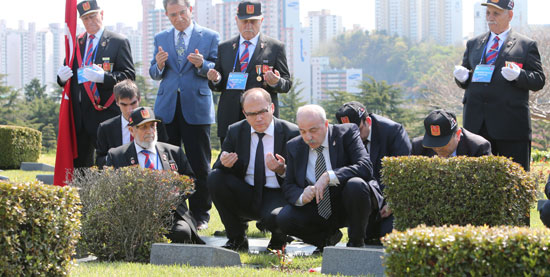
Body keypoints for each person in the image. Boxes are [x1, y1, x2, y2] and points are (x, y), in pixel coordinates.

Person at [149, 0, 220, 229]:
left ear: (190, 10)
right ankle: (174, 212)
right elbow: (154, 72)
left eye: (182, 13)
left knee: (200, 163)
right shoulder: (161, 38)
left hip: (196, 107)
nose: (178, 18)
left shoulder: (209, 36)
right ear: (166, 16)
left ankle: (200, 215)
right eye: (172, 15)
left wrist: (203, 65)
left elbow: (217, 70)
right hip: (167, 107)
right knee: (168, 163)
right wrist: (159, 65)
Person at [453, 0, 545, 171]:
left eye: (496, 13)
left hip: (510, 127)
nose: (490, 18)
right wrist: (462, 78)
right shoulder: (474, 43)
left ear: (509, 15)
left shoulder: (525, 45)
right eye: (488, 13)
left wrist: (520, 75)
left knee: (513, 182)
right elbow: (466, 78)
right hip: (476, 126)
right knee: (475, 182)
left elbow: (538, 80)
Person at [277, 105, 381, 252]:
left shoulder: (347, 133)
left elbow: (365, 167)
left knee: (355, 184)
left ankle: (356, 243)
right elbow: (288, 186)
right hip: (317, 204)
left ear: (326, 124)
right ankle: (325, 241)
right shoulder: (294, 146)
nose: (308, 137)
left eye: (313, 130)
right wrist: (302, 195)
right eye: (302, 131)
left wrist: (329, 176)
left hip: (349, 201)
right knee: (283, 218)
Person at [207, 88, 299, 251]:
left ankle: (278, 241)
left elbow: (301, 176)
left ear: (272, 108)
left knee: (276, 217)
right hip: (247, 191)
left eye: (263, 111)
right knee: (215, 177)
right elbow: (218, 166)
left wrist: (282, 170)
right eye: (252, 114)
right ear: (244, 113)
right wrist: (225, 163)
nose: (258, 118)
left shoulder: (290, 132)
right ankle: (237, 238)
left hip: (276, 193)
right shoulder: (235, 131)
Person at [105, 107, 203, 244]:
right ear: (131, 130)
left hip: (170, 213)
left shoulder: (174, 152)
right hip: (134, 214)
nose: (150, 131)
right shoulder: (117, 155)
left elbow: (191, 181)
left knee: (182, 233)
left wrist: (176, 193)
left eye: (152, 126)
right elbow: (111, 187)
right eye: (143, 127)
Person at [56, 0, 135, 168]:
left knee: (107, 165)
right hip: (80, 115)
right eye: (85, 19)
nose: (90, 22)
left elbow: (129, 76)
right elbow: (68, 71)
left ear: (102, 14)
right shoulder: (77, 43)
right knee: (80, 168)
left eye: (93, 16)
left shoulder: (117, 41)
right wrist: (61, 79)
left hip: (106, 113)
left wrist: (104, 78)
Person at [207, 1, 291, 143]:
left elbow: (286, 83)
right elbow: (218, 83)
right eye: (244, 21)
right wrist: (215, 79)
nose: (248, 25)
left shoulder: (275, 47)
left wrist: (276, 82)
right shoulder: (224, 47)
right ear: (236, 20)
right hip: (230, 116)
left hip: (261, 118)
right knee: (230, 162)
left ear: (261, 21)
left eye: (253, 21)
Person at [335, 101, 411, 243]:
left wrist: (393, 202)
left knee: (387, 237)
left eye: (357, 130)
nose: (353, 135)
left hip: (389, 198)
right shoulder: (343, 137)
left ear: (367, 121)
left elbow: (405, 171)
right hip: (362, 197)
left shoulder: (392, 131)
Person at [95, 80, 168, 167]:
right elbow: (99, 160)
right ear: (117, 103)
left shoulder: (156, 123)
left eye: (133, 103)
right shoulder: (106, 128)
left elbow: (166, 152)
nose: (129, 109)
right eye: (124, 105)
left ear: (139, 99)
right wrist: (114, 158)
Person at [412, 109, 492, 158]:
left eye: (442, 143)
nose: (437, 148)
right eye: (433, 142)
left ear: (458, 134)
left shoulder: (478, 147)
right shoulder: (418, 147)